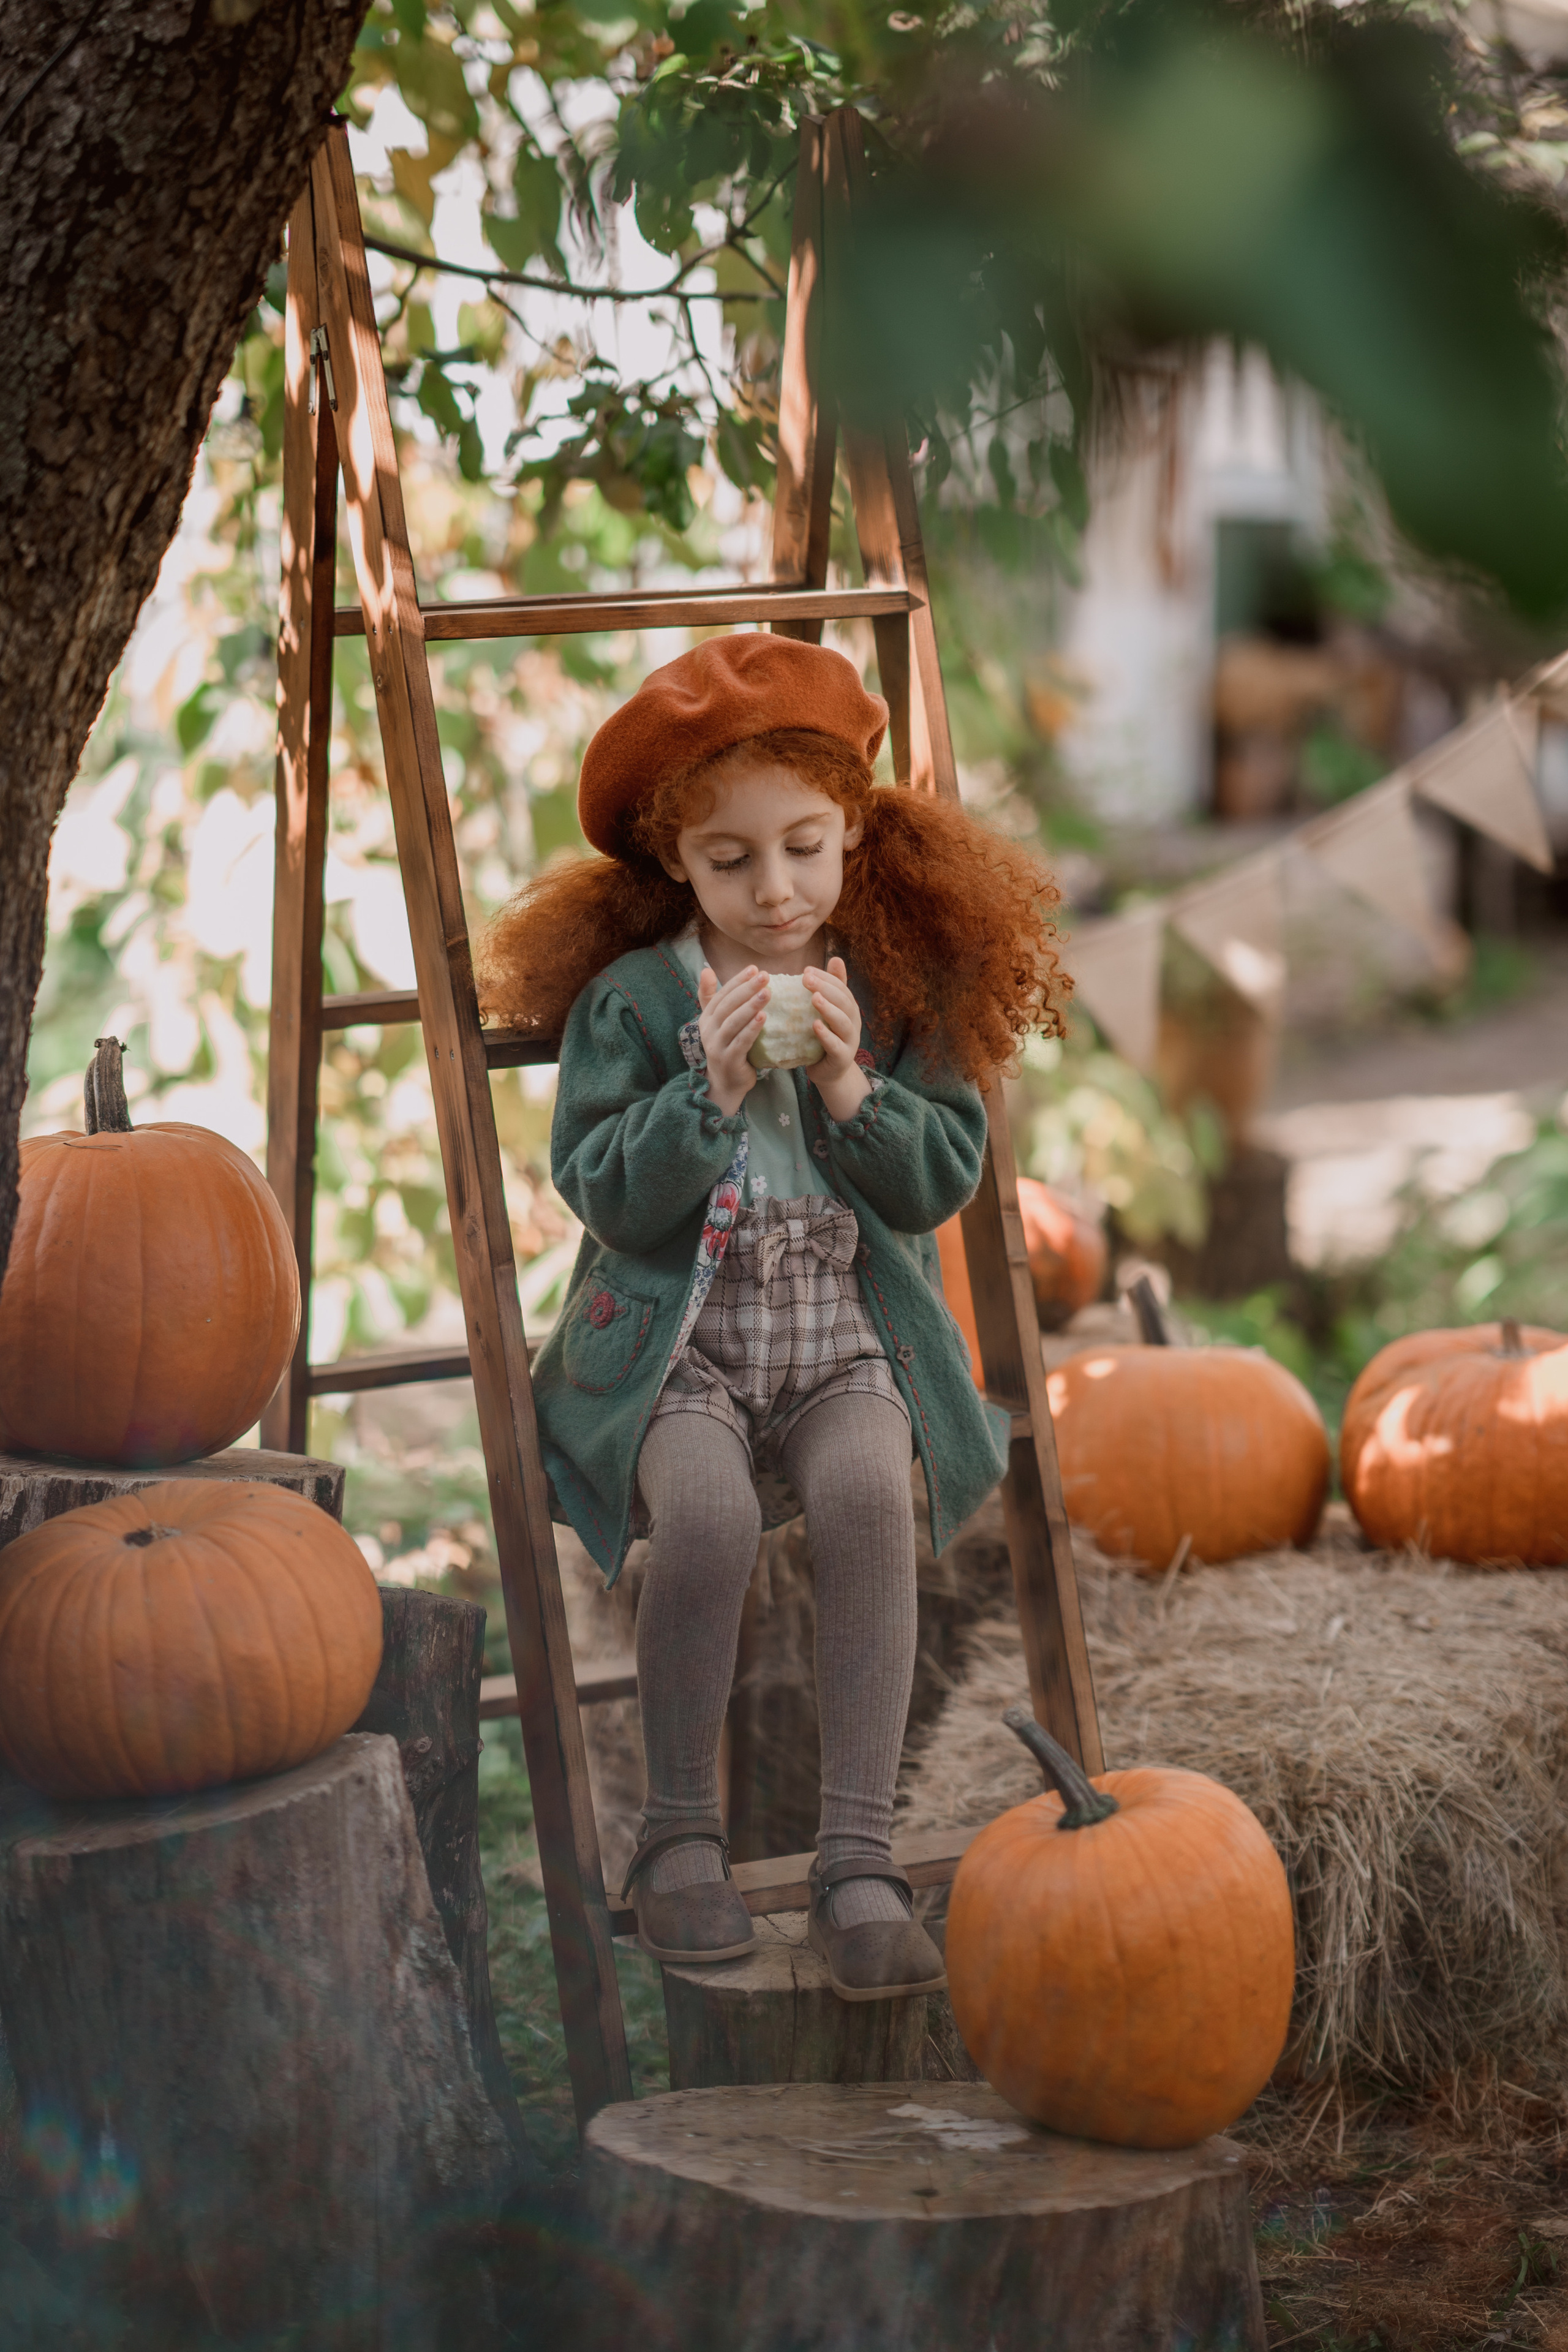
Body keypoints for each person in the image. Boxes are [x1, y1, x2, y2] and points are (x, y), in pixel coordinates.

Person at [480, 633, 1065, 2001]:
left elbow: (940, 1179)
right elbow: (604, 1195)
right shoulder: (637, 1003)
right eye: (728, 859)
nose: (774, 889)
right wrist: (711, 1090)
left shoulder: (893, 987)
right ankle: (677, 1838)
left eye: (804, 847)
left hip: (842, 1340)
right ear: (676, 864)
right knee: (710, 1517)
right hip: (679, 1354)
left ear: (854, 835)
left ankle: (855, 1860)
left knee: (868, 1495)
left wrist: (856, 1086)